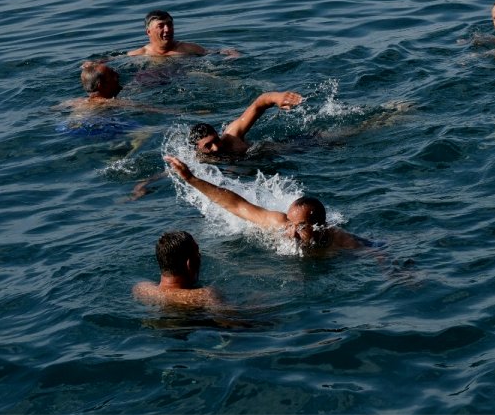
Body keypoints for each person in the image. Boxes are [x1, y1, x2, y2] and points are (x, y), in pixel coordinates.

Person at [164, 156, 367, 252]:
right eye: (291, 224)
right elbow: (236, 205)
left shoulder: (338, 239)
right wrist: (191, 179)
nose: (292, 233)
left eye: (302, 227)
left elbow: (374, 252)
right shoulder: (279, 224)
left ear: (320, 228)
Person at [189, 90, 303, 158]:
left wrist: (276, 97)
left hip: (290, 150)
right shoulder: (199, 161)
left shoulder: (232, 135)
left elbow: (258, 105)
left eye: (216, 140)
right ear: (197, 149)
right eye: (208, 146)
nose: (216, 147)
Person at [133, 230, 223, 309]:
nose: (200, 257)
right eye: (197, 254)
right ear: (189, 263)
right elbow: (233, 323)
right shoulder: (205, 296)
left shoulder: (141, 289)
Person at [128, 10, 239, 57]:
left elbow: (218, 51)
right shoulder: (139, 54)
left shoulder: (188, 48)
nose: (167, 29)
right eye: (161, 26)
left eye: (170, 24)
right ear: (148, 32)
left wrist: (232, 53)